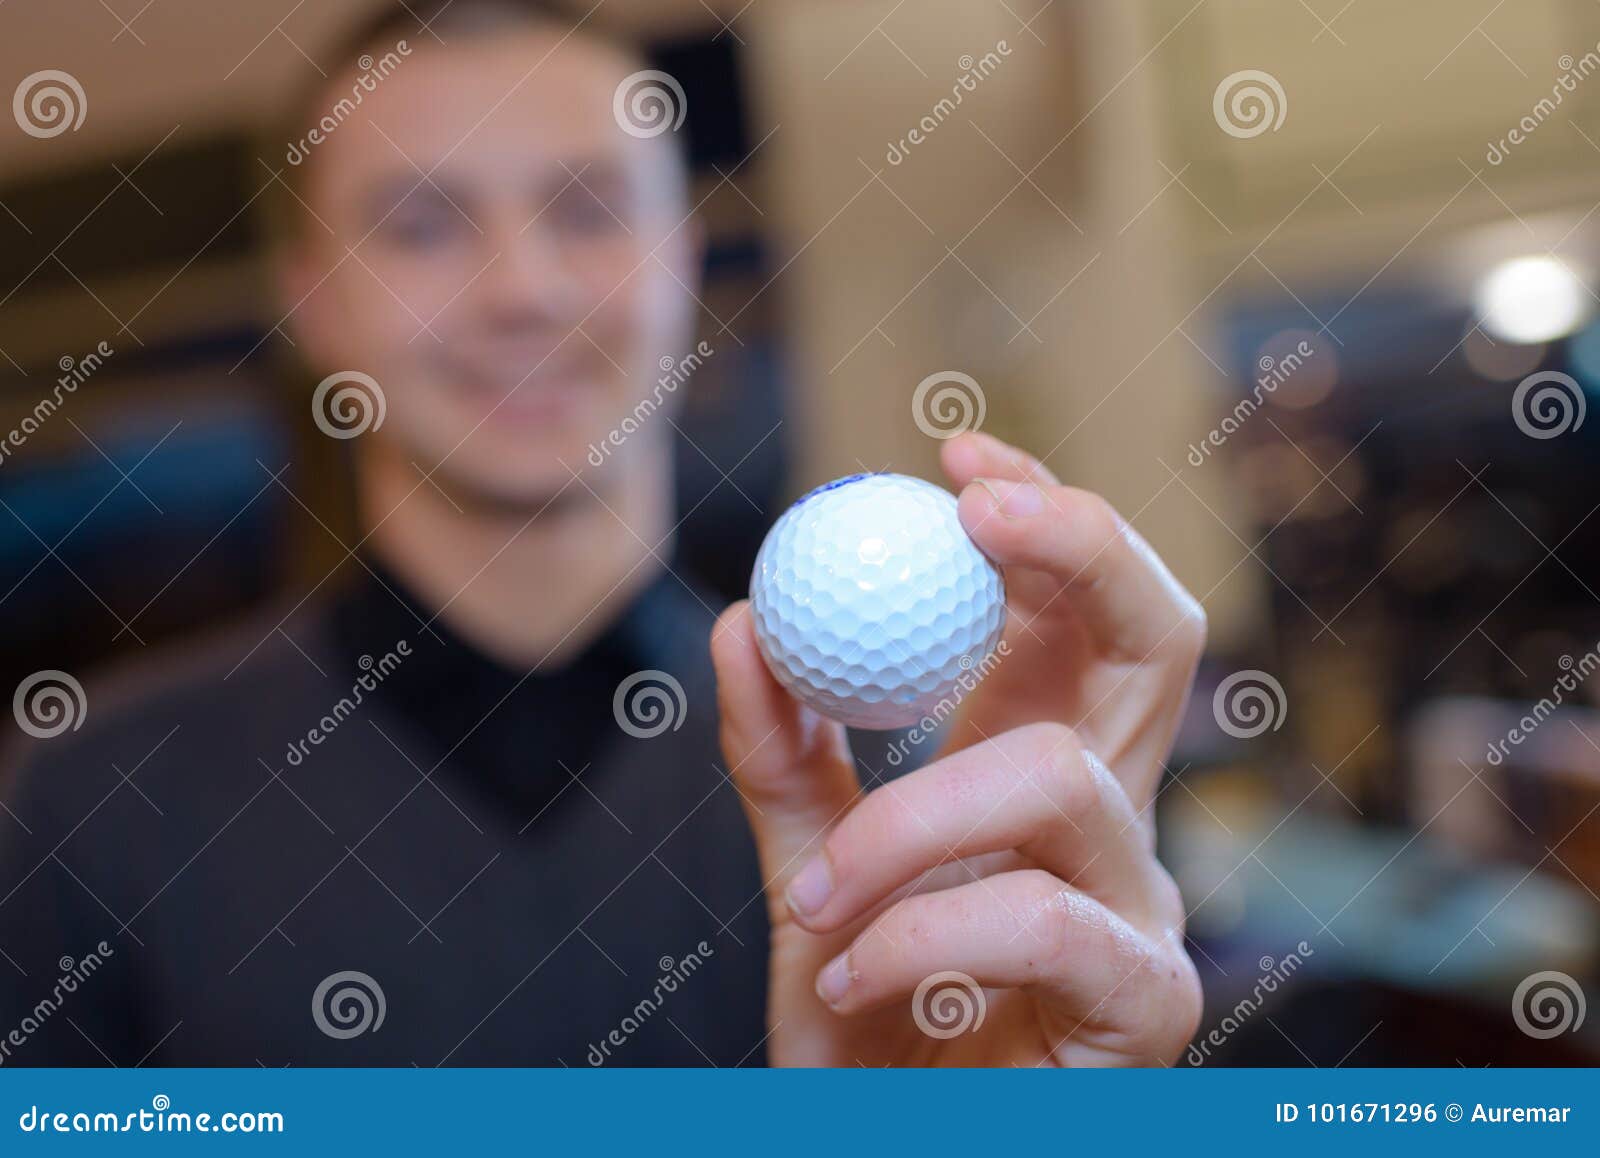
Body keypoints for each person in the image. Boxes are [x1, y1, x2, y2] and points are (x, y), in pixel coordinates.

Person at [0, 0, 1204, 1067]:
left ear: (681, 261)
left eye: (588, 210)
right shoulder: (93, 802)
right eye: (422, 226)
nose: (523, 288)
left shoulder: (934, 800)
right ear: (313, 300)